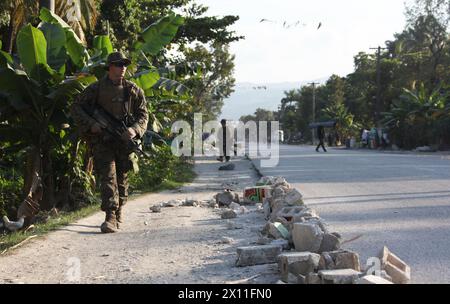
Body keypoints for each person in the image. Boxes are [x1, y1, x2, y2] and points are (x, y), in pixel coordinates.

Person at [71, 52, 149, 233]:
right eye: (118, 64)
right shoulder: (96, 89)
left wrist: (134, 130)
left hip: (123, 141)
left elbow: (143, 114)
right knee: (108, 177)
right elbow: (76, 107)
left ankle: (119, 208)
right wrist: (92, 124)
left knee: (121, 179)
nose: (122, 68)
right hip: (103, 141)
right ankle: (110, 216)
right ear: (110, 67)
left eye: (124, 64)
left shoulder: (133, 90)